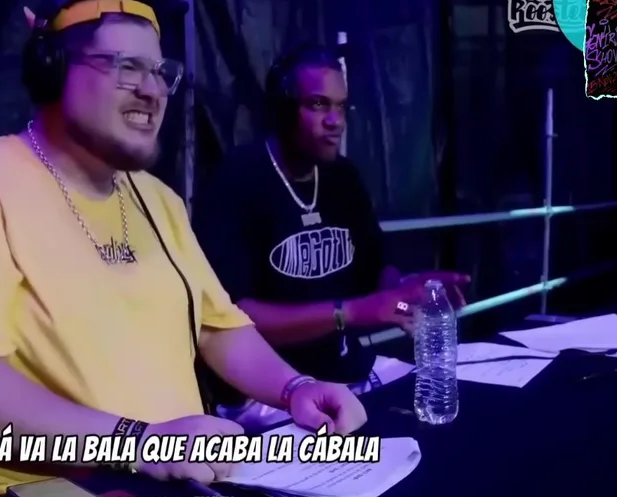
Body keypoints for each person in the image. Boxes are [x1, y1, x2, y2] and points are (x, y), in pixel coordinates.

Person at [0, 0, 367, 497]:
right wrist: (141, 442)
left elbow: (218, 327)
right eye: (126, 67)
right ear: (54, 69)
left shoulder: (159, 201)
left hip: (173, 488)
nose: (153, 90)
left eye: (160, 72)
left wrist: (294, 388)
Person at [194, 43, 469, 430]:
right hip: (268, 394)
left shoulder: (343, 177)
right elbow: (233, 318)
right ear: (283, 109)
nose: (335, 121)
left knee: (448, 418)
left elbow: (376, 269)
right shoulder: (237, 180)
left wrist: (405, 293)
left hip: (346, 372)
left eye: (341, 107)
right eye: (318, 105)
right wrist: (350, 312)